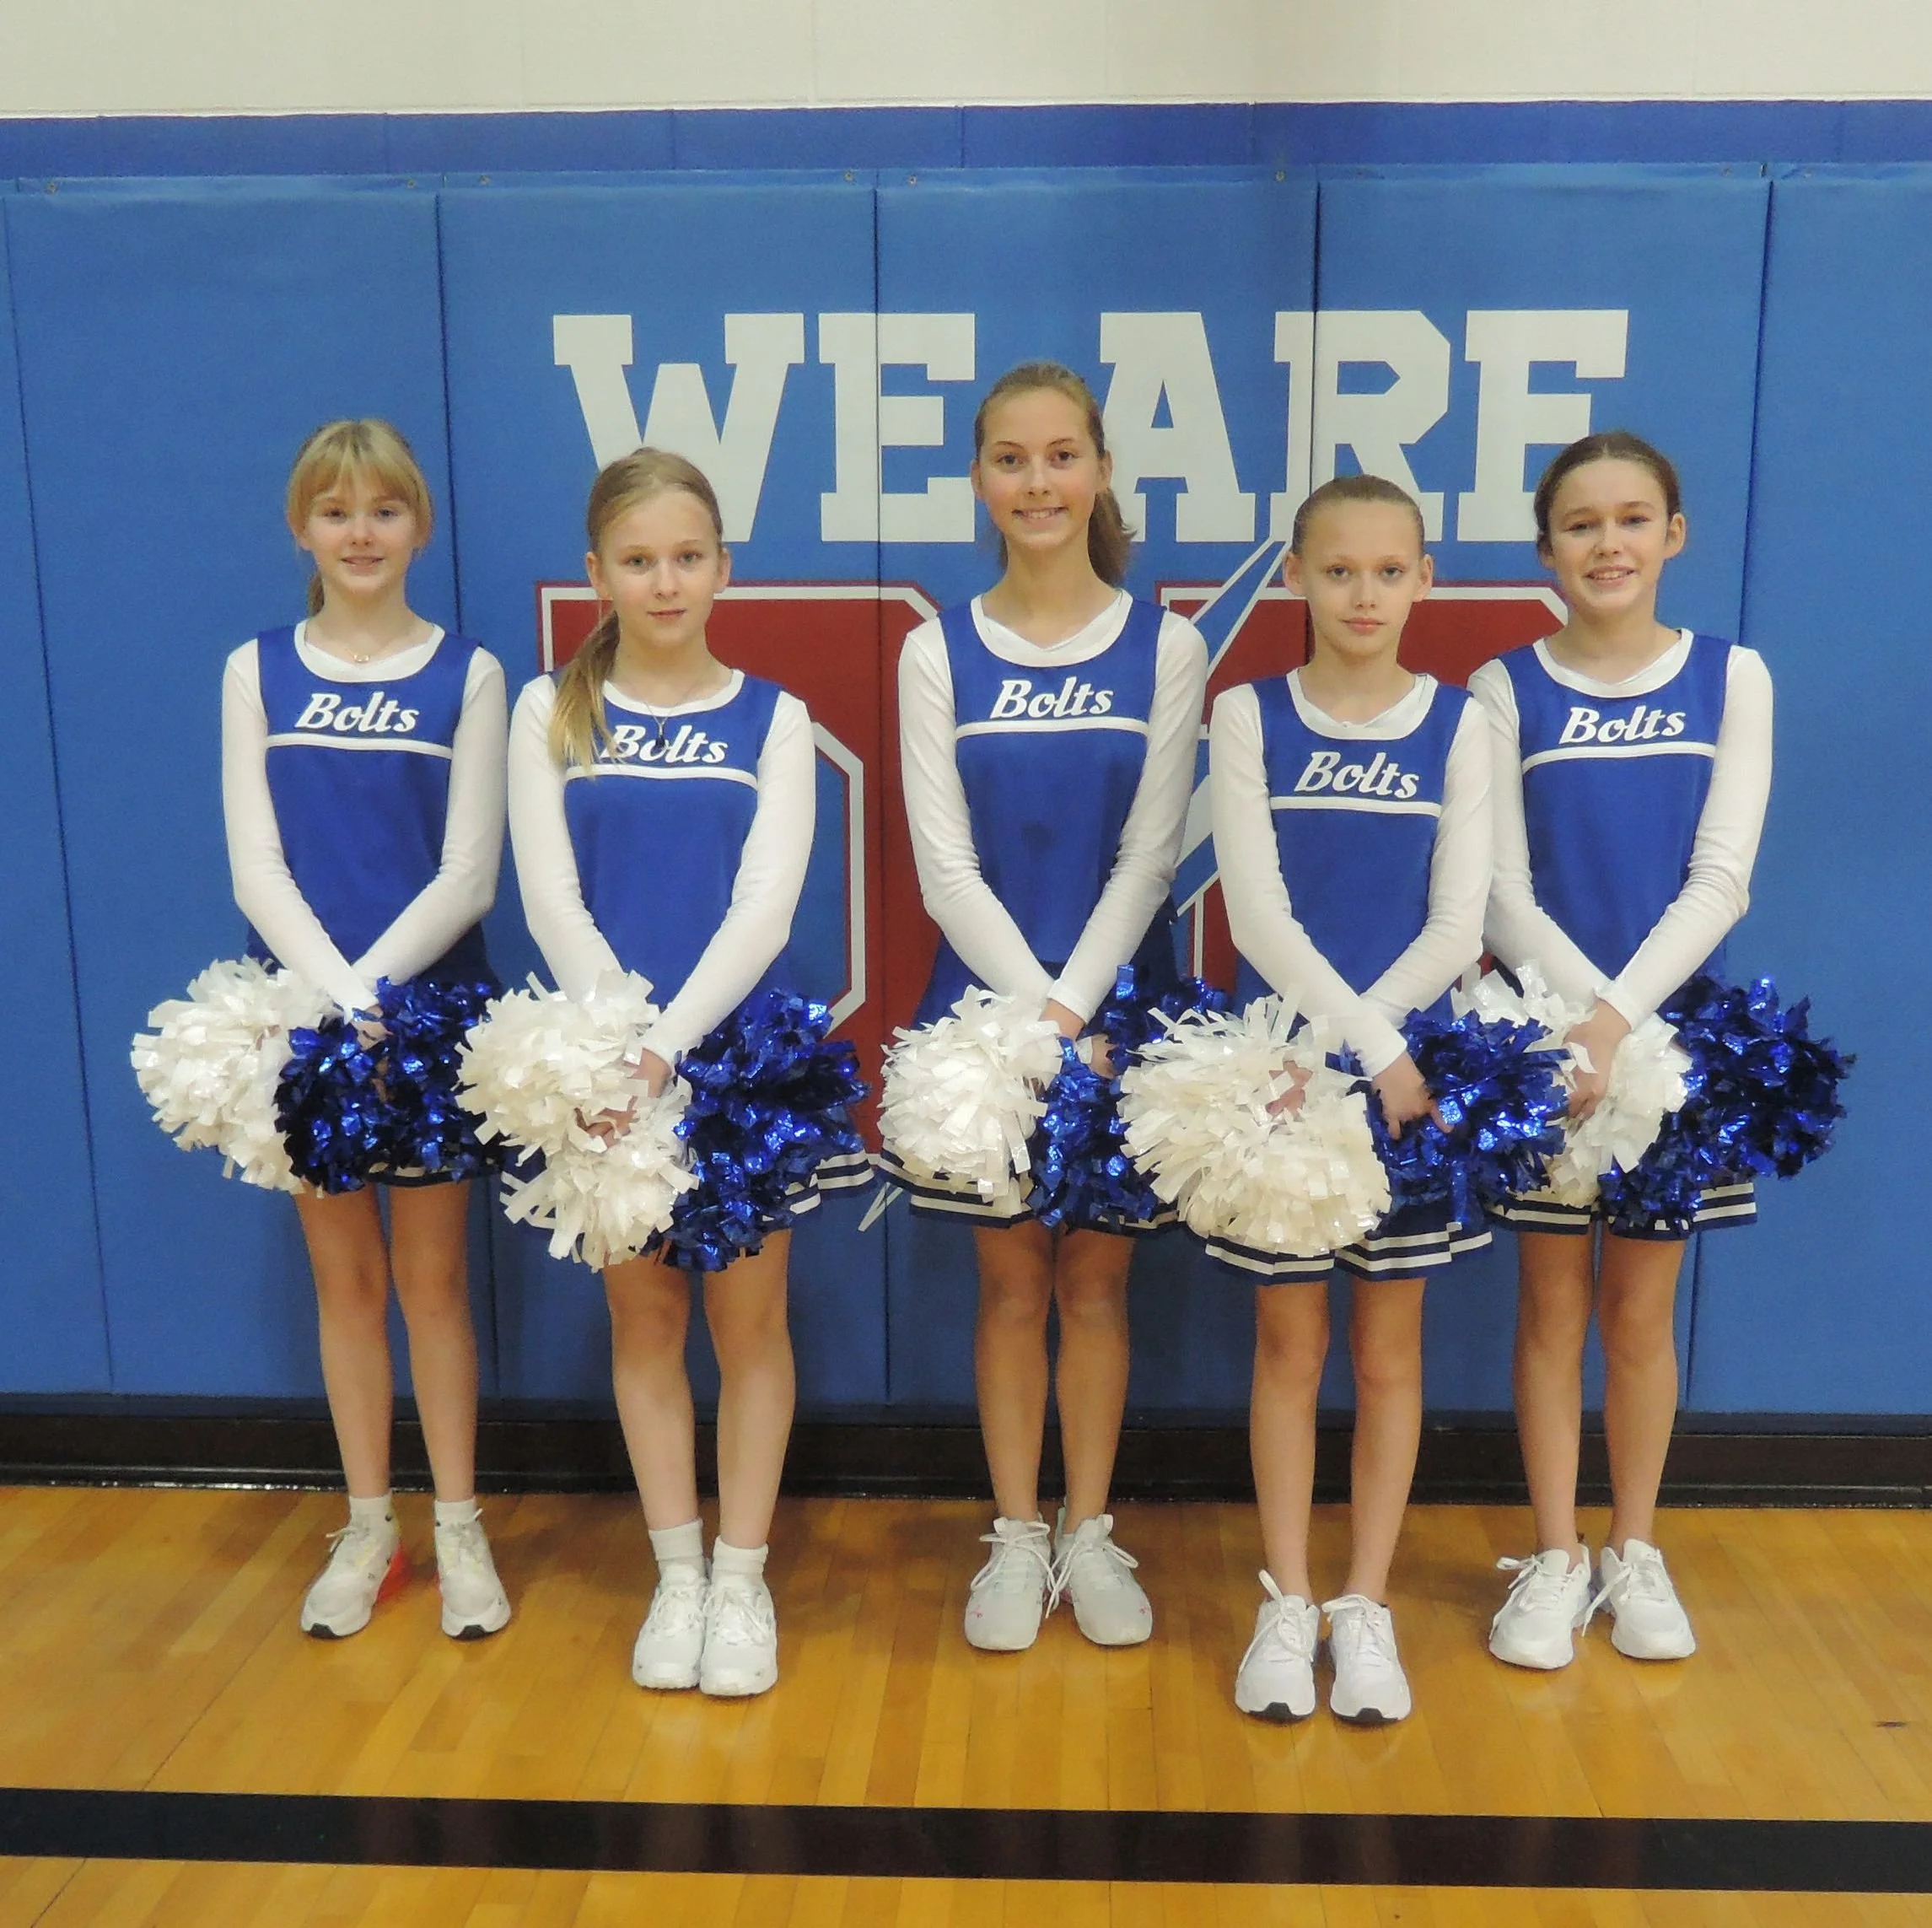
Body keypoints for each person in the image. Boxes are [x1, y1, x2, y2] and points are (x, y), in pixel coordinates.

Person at [508, 447, 866, 1699]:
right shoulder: (550, 709)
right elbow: (550, 897)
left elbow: (765, 911)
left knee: (747, 1323)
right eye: (639, 559)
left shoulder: (772, 717)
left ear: (724, 565)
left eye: (688, 556)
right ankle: (674, 1569)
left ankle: (741, 1578)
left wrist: (668, 1050)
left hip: (734, 1066)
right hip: (602, 1067)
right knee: (643, 1318)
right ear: (597, 572)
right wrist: (618, 1050)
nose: (665, 582)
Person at [890, 361, 1207, 1654]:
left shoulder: (1165, 642)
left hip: (1122, 999)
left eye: (1061, 455)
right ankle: (1015, 1531)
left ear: (1099, 471)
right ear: (978, 478)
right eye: (1011, 459)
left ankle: (1088, 1525)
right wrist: (1031, 1015)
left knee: (1096, 1283)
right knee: (1011, 1282)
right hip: (988, 1010)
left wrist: (1076, 1012)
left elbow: (1149, 853)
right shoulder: (933, 648)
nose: (1037, 481)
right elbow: (941, 861)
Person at [1471, 431, 1773, 1671]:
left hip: (1669, 1045)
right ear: (1545, 549)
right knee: (1550, 1305)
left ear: (1672, 535)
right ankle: (1551, 1552)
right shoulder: (1504, 688)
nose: (1608, 544)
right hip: (1542, 1039)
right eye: (1581, 525)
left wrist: (1620, 1024)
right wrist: (1572, 1027)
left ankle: (1632, 1544)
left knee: (1641, 1312)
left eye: (1631, 519)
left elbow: (1720, 880)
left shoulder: (1731, 676)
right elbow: (1496, 890)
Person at [1208, 474, 1491, 1723]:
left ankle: (1362, 1604)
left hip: (1408, 1086)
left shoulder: (1460, 723)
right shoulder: (1246, 715)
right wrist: (1346, 1053)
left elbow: (1457, 921)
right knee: (1287, 1346)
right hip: (1284, 1073)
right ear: (1296, 580)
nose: (1362, 593)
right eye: (1337, 570)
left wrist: (1380, 1056)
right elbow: (1256, 912)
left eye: (1388, 570)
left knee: (1388, 1351)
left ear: (1423, 577)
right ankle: (1285, 1598)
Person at [222, 418, 510, 1640]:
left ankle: (458, 1525)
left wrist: (375, 997)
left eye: (383, 511)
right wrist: (334, 1004)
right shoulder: (256, 669)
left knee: (433, 1283)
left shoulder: (472, 673)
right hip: (300, 1015)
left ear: (418, 528)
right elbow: (256, 864)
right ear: (302, 527)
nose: (360, 532)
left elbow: (469, 873)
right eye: (335, 511)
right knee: (345, 1284)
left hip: (427, 1015)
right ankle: (366, 1522)